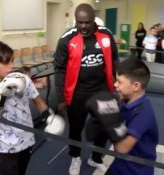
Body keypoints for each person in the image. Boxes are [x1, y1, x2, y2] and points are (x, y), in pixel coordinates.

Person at [54, 3, 119, 175]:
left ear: (93, 21)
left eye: (87, 22)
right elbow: (59, 69)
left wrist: (117, 85)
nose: (83, 26)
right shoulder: (66, 39)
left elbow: (115, 60)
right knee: (76, 128)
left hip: (101, 89)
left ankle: (96, 157)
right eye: (79, 22)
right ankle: (75, 157)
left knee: (107, 125)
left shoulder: (105, 35)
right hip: (77, 92)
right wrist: (60, 98)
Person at [0, 41, 55, 175]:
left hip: (26, 140)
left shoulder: (23, 78)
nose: (12, 66)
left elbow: (38, 101)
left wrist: (49, 117)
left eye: (12, 61)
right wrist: (2, 94)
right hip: (5, 147)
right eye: (6, 62)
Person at [85, 57, 159, 175]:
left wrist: (111, 122)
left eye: (119, 81)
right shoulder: (123, 101)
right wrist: (97, 119)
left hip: (136, 171)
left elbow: (122, 149)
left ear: (136, 86)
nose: (115, 84)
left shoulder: (144, 114)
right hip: (119, 166)